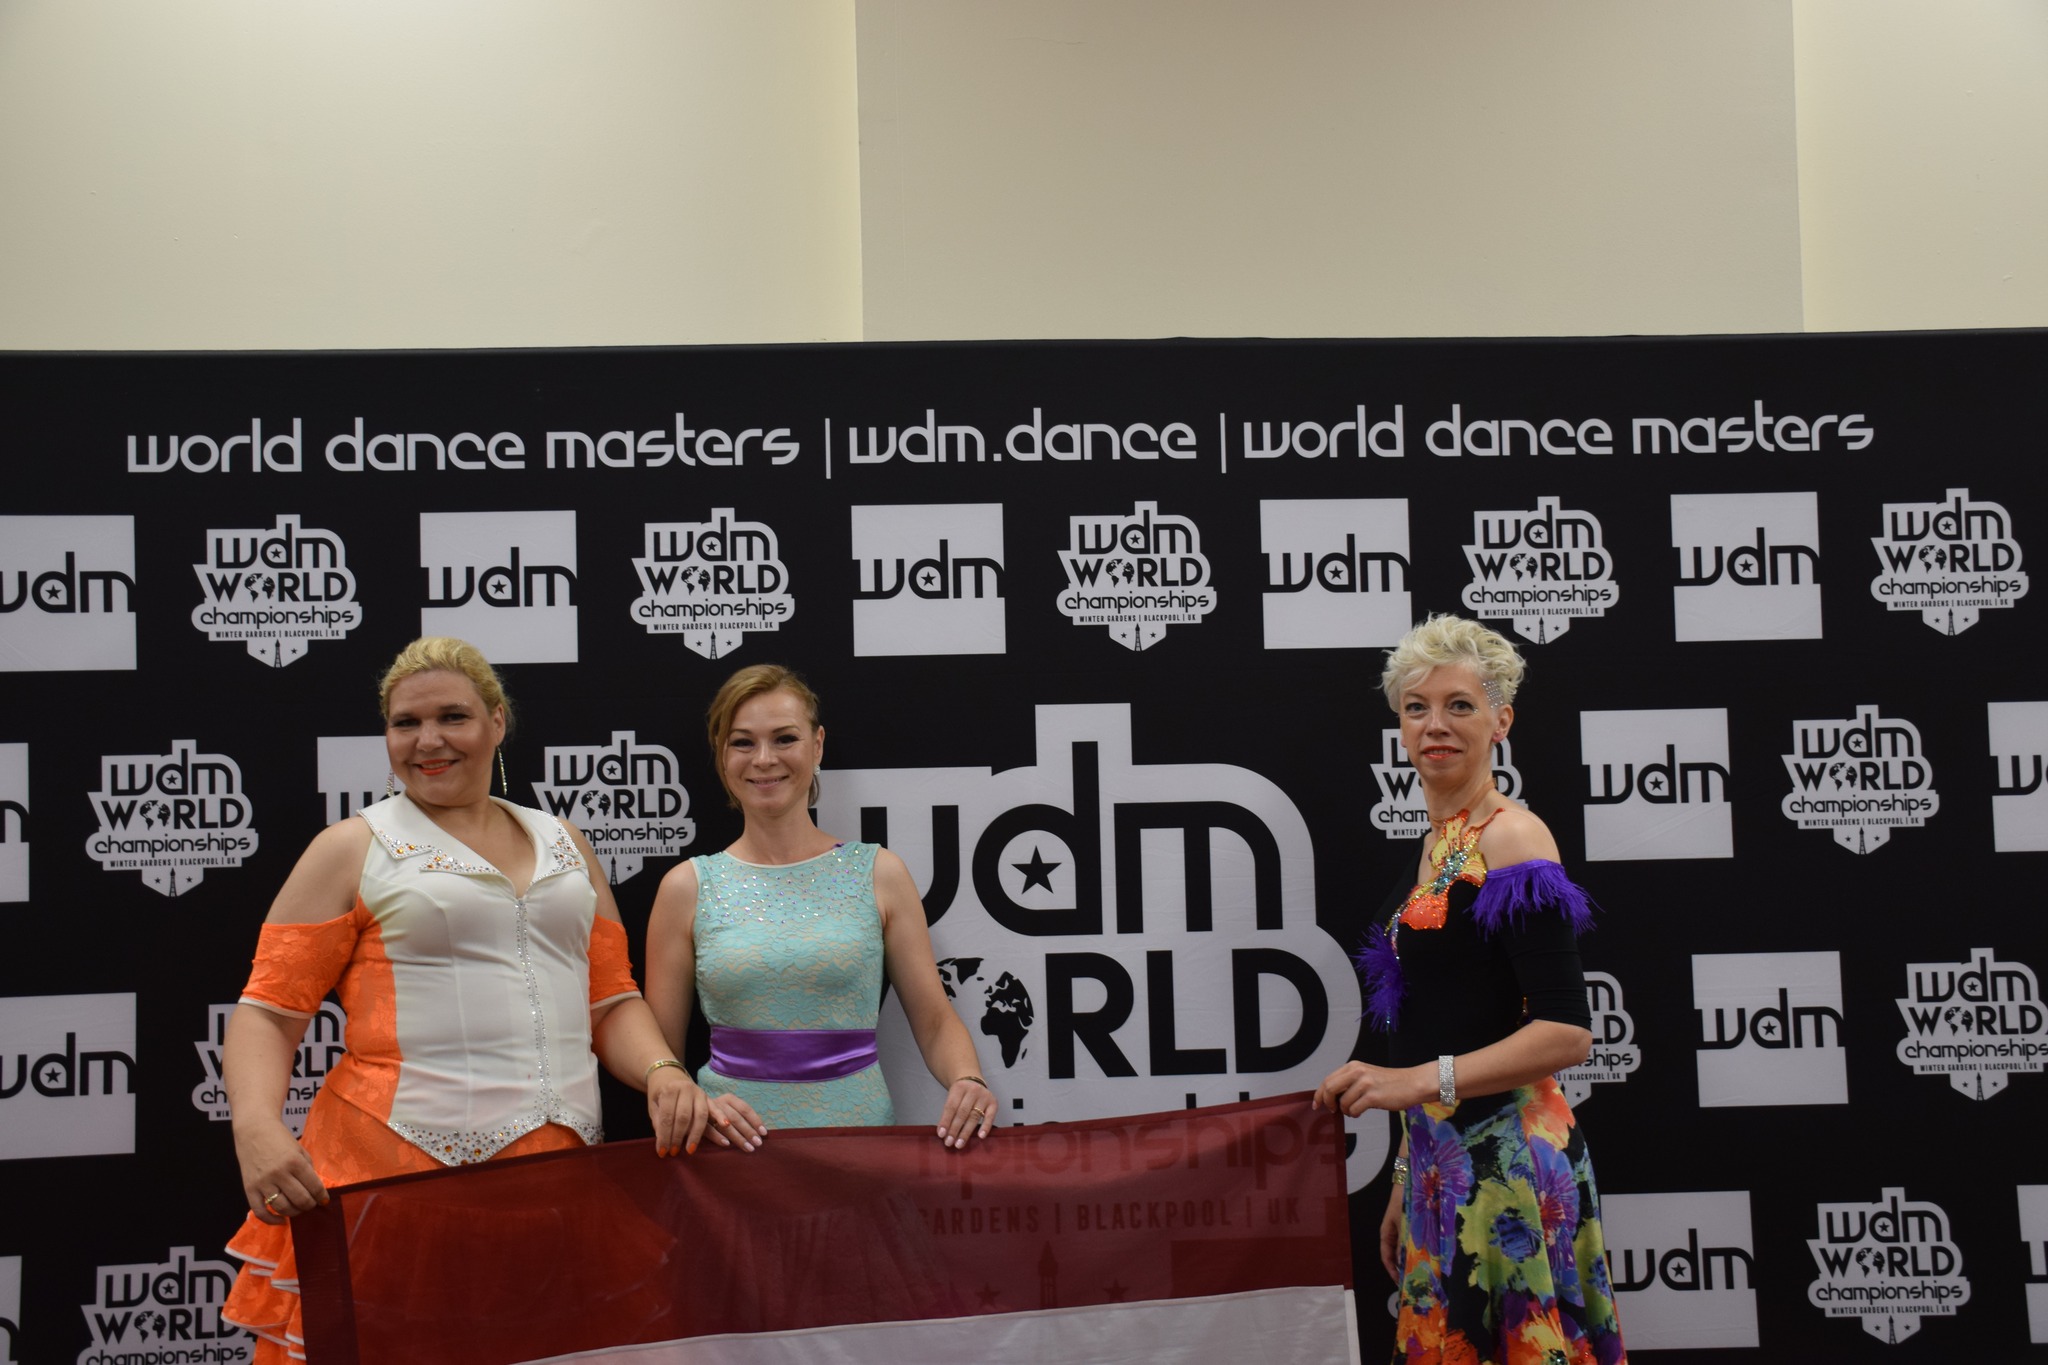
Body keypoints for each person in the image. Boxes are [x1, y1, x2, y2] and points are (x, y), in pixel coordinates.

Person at [221, 638, 697, 1362]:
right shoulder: (350, 847)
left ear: (497, 721)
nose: (428, 740)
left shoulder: (566, 841)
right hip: (391, 1176)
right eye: (405, 723)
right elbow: (268, 1011)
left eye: (453, 716)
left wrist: (662, 1070)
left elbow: (609, 999)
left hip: (557, 1183)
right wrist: (255, 1126)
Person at [1314, 614, 1627, 1365]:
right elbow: (1435, 1019)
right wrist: (1406, 1170)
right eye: (1416, 707)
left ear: (1500, 720)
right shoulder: (1437, 842)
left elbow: (1565, 1031)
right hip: (1444, 1165)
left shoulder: (1513, 837)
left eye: (1460, 705)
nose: (1436, 725)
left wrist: (1415, 1082)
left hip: (1511, 1168)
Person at [644, 663, 995, 1151]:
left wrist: (968, 1079)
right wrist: (691, 1103)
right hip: (729, 1150)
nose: (764, 759)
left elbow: (934, 1019)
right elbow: (659, 1056)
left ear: (818, 745)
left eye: (784, 738)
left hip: (859, 1148)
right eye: (743, 742)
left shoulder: (880, 873)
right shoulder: (686, 887)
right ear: (722, 755)